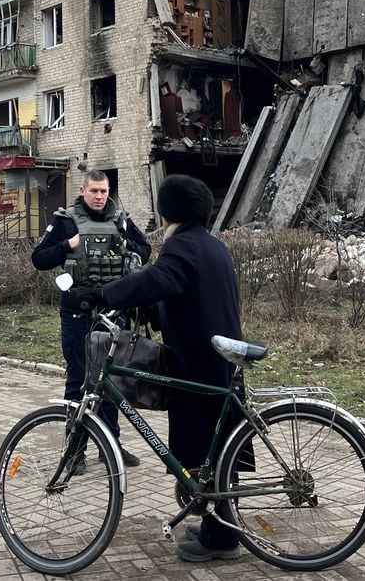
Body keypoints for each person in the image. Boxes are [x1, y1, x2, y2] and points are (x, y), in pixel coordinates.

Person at [75, 174, 246, 563]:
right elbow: (183, 290)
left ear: (167, 211)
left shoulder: (181, 245)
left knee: (208, 449)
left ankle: (222, 540)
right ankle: (218, 525)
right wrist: (153, 309)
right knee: (215, 447)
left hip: (199, 362)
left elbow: (161, 278)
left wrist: (105, 293)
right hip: (214, 356)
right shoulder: (210, 245)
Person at [31, 170, 151, 470]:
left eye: (104, 191)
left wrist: (126, 248)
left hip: (113, 314)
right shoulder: (65, 220)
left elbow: (145, 251)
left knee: (111, 382)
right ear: (82, 190)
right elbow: (39, 258)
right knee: (78, 382)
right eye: (94, 191)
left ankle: (110, 448)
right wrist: (66, 246)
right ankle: (74, 453)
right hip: (77, 313)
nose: (99, 197)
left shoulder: (121, 220)